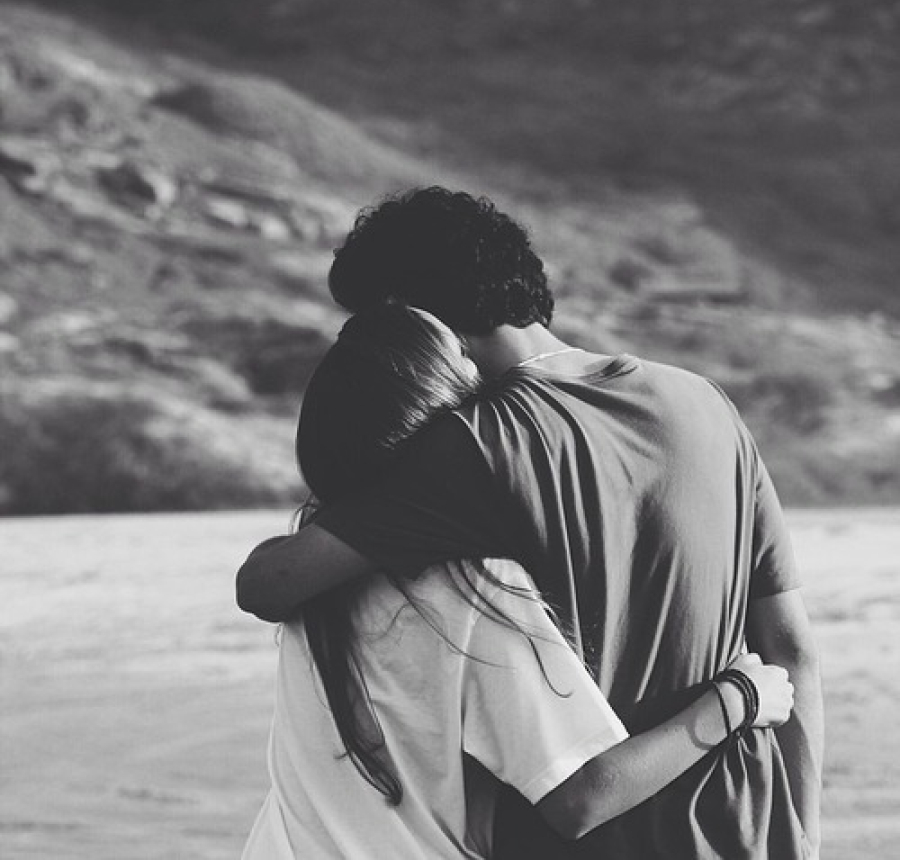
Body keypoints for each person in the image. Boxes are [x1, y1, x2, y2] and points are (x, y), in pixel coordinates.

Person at [237, 187, 824, 859]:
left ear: (412, 316)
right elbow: (792, 650)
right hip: (742, 829)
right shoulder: (707, 406)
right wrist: (802, 839)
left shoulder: (475, 446)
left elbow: (269, 585)